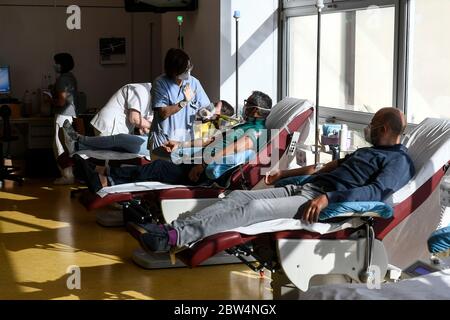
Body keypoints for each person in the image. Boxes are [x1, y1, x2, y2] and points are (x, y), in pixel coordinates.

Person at [126, 108, 416, 253]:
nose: (368, 130)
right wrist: (285, 174)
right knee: (238, 198)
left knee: (250, 212)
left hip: (319, 204)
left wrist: (329, 198)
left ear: (386, 128)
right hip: (304, 188)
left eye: (373, 126)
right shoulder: (369, 150)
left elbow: (376, 193)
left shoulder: (398, 161)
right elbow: (327, 167)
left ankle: (173, 239)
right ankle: (174, 228)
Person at [74, 91, 272, 193]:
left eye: (248, 104)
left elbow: (234, 148)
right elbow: (210, 140)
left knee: (158, 168)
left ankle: (105, 180)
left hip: (205, 175)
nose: (244, 107)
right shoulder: (242, 126)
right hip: (198, 161)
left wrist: (203, 165)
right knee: (158, 164)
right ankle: (102, 174)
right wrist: (180, 144)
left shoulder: (257, 132)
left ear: (256, 111)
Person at [61, 100, 234, 157]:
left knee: (121, 140)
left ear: (221, 116)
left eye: (215, 107)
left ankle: (79, 140)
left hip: (168, 150)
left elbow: (196, 143)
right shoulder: (201, 118)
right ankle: (77, 145)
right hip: (164, 142)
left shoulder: (213, 131)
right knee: (119, 143)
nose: (210, 106)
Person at [148, 48, 211, 155]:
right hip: (164, 143)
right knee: (161, 170)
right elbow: (163, 113)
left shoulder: (194, 82)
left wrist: (205, 113)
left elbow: (204, 106)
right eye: (185, 69)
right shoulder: (160, 83)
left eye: (189, 67)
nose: (188, 72)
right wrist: (184, 102)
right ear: (174, 71)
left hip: (186, 142)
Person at [52, 52, 79, 185]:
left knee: (59, 147)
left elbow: (61, 102)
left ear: (61, 64)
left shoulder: (62, 79)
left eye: (56, 62)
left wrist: (50, 100)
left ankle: (67, 176)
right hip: (71, 115)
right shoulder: (71, 77)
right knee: (69, 146)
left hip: (62, 115)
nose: (54, 65)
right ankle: (70, 175)